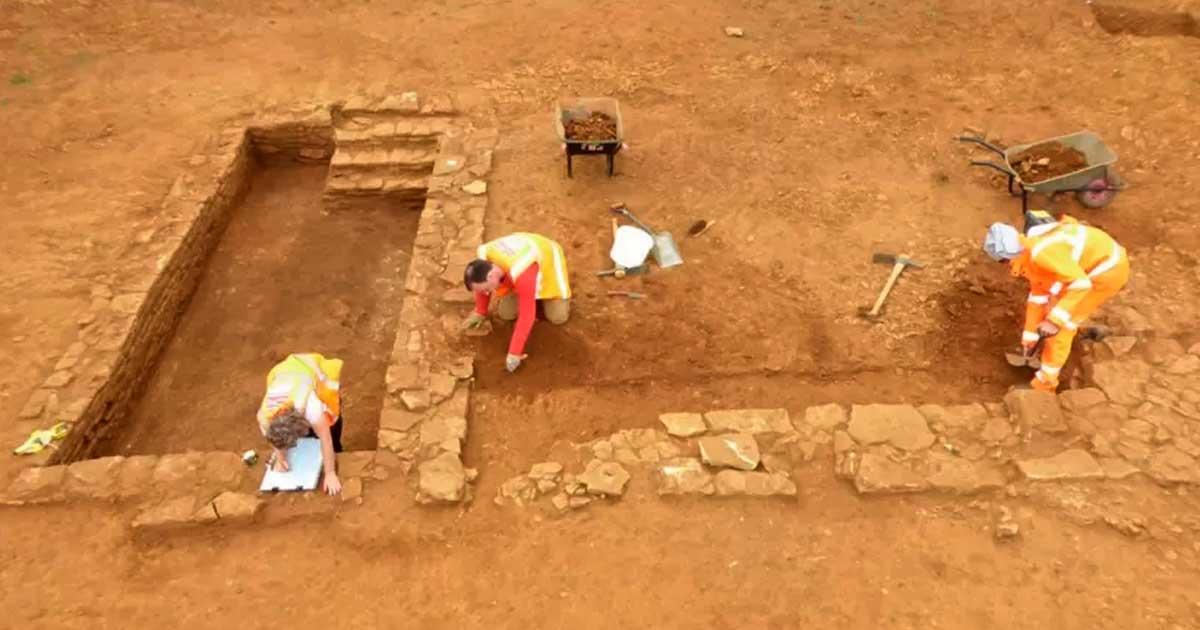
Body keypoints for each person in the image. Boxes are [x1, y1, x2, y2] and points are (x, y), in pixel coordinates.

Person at [983, 214, 1129, 392]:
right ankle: (1077, 330)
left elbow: (1080, 284)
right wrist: (1030, 338)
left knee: (1061, 329)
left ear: (1005, 257)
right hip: (1084, 270)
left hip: (1105, 273)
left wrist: (1054, 322)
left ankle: (1044, 385)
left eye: (1001, 261)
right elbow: (1038, 297)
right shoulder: (1028, 252)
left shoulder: (1042, 254)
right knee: (1057, 307)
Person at [462, 232, 572, 372]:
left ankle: (543, 299)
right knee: (506, 314)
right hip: (517, 268)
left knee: (557, 317)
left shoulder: (522, 272)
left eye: (486, 289)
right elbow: (481, 289)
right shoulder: (484, 260)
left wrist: (514, 353)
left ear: (490, 276)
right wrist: (480, 311)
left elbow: (527, 316)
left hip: (548, 263)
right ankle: (528, 295)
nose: (486, 293)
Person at [256, 352, 345, 495]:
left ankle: (338, 452)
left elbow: (325, 438)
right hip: (288, 373)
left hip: (312, 372)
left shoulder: (311, 406)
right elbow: (273, 438)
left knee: (330, 427)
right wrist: (280, 457)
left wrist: (330, 473)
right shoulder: (265, 418)